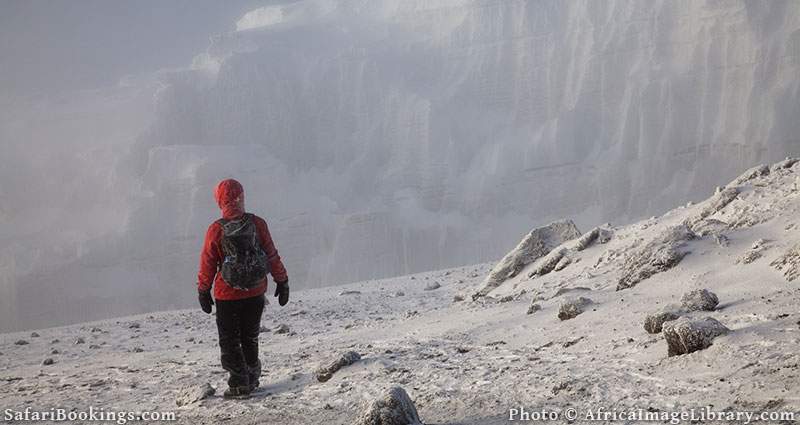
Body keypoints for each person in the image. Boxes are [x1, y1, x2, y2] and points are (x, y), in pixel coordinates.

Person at [196, 178, 290, 399]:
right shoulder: (258, 223)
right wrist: (282, 281)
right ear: (241, 197)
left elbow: (208, 262)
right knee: (250, 336)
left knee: (229, 339)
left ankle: (239, 384)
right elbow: (271, 254)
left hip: (227, 295)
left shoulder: (215, 230)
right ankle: (252, 377)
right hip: (255, 291)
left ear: (219, 200)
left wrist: (203, 290)